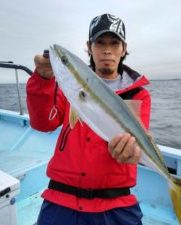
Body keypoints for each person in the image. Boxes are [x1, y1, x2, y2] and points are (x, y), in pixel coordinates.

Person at [26, 13, 151, 225]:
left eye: (114, 43)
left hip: (115, 203)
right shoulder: (69, 86)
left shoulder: (138, 94)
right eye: (100, 42)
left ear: (123, 48)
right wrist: (43, 81)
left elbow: (138, 141)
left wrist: (132, 152)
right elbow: (43, 123)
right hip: (61, 198)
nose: (107, 50)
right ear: (89, 46)